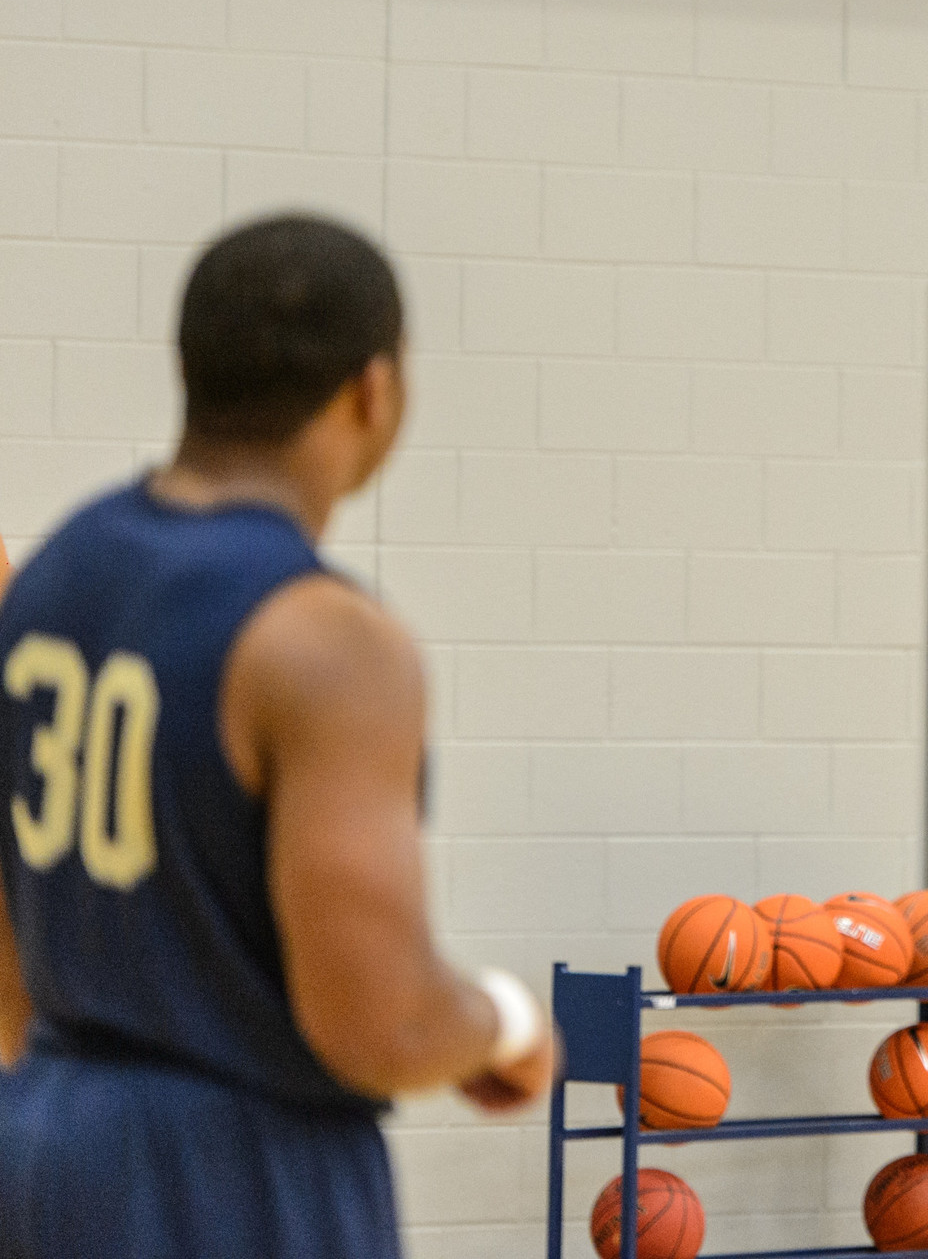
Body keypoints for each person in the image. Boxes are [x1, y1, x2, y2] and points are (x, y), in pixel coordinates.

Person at [0, 214, 557, 1258]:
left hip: (43, 1136)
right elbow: (378, 1021)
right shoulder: (328, 642)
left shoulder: (53, 575)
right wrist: (505, 1023)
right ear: (372, 390)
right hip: (236, 1169)